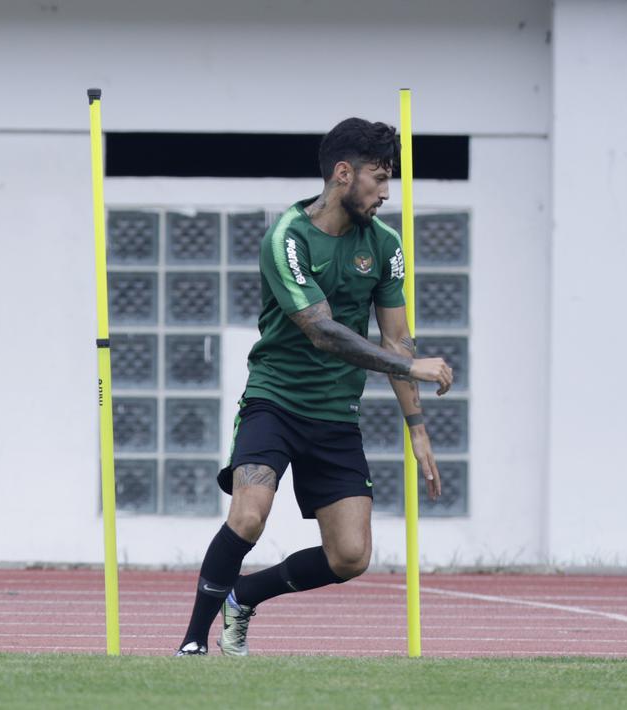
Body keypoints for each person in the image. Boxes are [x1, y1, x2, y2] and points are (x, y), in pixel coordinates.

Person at [175, 117, 454, 656]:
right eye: (378, 178)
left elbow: (398, 343)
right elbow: (323, 332)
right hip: (274, 402)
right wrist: (409, 368)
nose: (385, 191)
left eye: (390, 178)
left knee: (351, 556)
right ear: (343, 174)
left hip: (336, 413)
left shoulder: (386, 244)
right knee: (249, 514)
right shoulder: (288, 237)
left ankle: (245, 596)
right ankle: (192, 643)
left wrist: (417, 428)